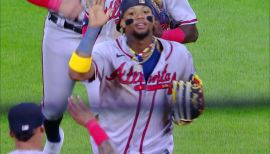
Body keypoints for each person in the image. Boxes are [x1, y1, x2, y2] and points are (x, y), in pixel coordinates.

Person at [26, 0, 199, 153]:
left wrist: (154, 36)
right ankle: (54, 140)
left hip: (104, 36)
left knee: (103, 107)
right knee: (53, 109)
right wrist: (58, 3)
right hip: (60, 32)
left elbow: (189, 30)